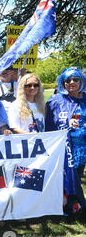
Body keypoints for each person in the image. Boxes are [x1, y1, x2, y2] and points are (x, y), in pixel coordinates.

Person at [45, 67, 86, 220]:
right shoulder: (56, 100)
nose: (71, 82)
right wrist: (66, 123)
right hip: (64, 147)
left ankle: (70, 208)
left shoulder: (85, 99)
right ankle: (80, 207)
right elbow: (49, 124)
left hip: (82, 147)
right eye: (68, 80)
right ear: (63, 83)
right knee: (72, 178)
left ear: (81, 81)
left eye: (75, 79)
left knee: (76, 177)